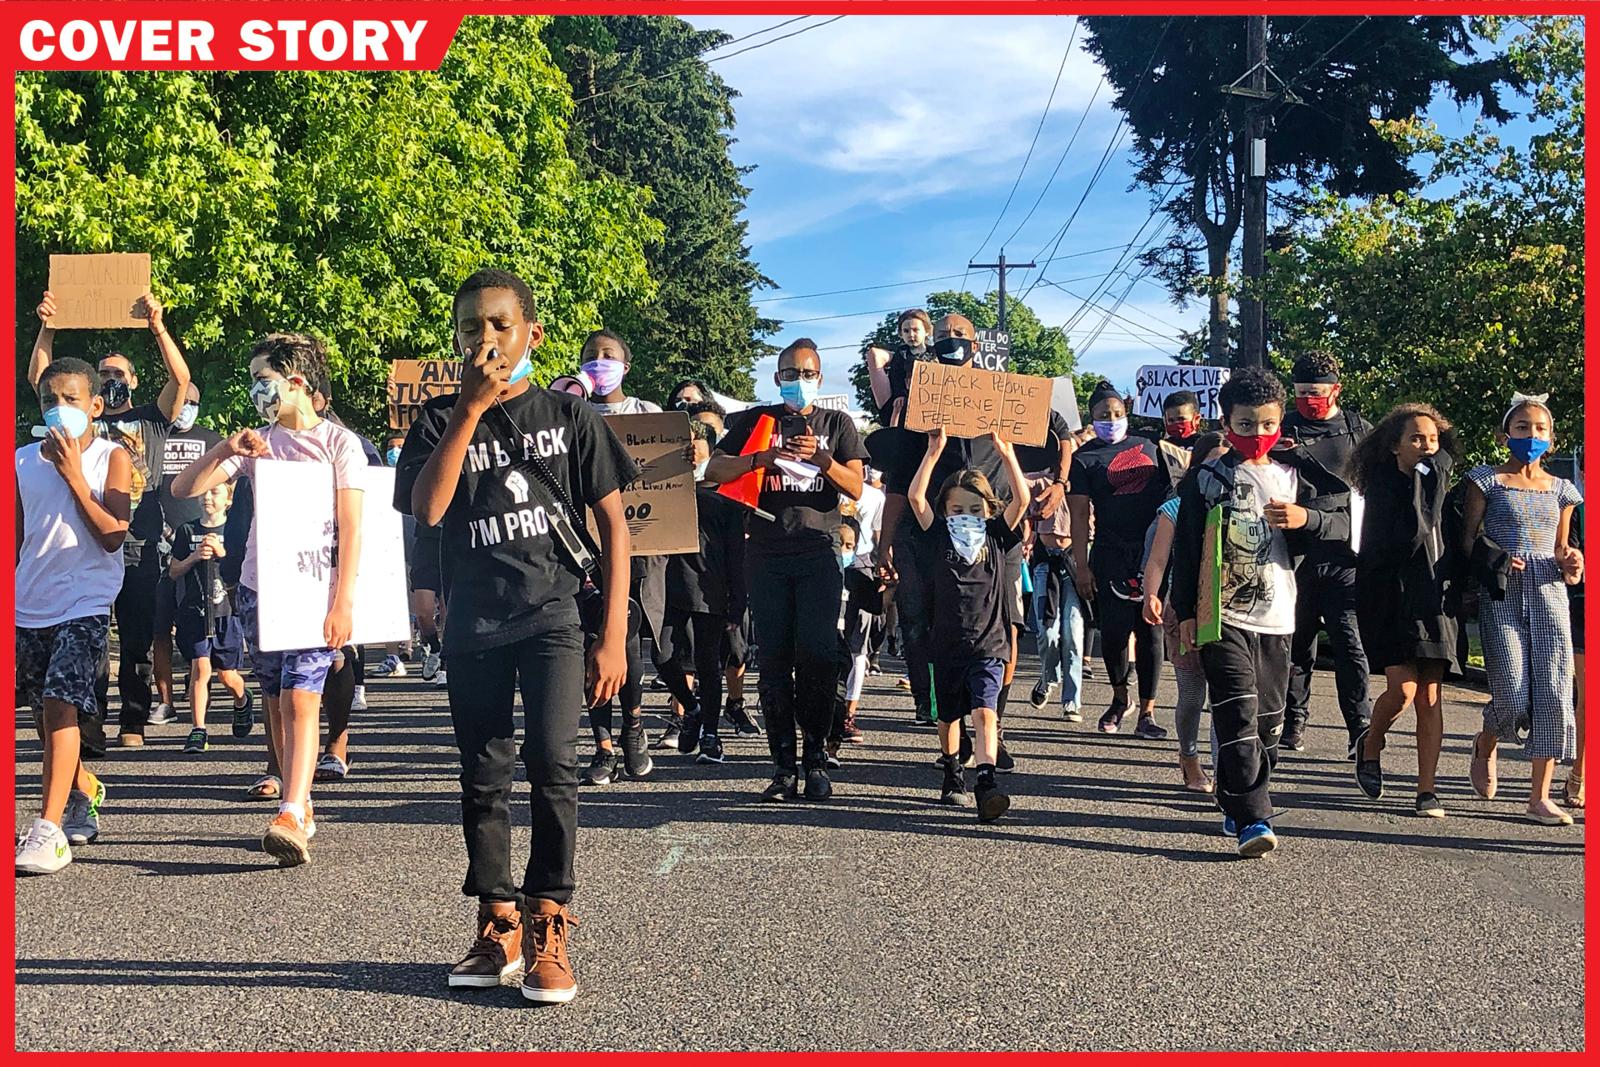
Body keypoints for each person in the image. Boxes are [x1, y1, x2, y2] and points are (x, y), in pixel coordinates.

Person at [397, 268, 635, 1003]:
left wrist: (615, 631)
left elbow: (615, 527)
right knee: (483, 773)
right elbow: (429, 509)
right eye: (471, 329)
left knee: (555, 764)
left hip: (555, 618)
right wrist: (468, 411)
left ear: (532, 333)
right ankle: (497, 918)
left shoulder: (572, 420)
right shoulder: (438, 420)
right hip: (476, 620)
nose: (486, 339)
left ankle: (549, 918)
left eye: (500, 325)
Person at [172, 332, 365, 867]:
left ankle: (291, 807)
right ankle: (297, 800)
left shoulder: (338, 444)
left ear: (296, 382)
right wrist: (227, 449)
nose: (258, 390)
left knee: (305, 696)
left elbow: (352, 525)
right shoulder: (258, 443)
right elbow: (182, 490)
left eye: (265, 379)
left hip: (316, 588)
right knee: (279, 700)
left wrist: (343, 601)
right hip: (262, 587)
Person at [1172, 368, 1351, 857]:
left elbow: (1349, 520)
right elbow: (1186, 548)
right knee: (1236, 711)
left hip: (1280, 614)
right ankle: (1255, 818)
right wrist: (1184, 610)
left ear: (1281, 424)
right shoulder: (1209, 478)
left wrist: (1305, 518)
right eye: (1245, 424)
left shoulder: (1299, 471)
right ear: (1226, 423)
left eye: (1267, 424)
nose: (1257, 435)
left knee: (1269, 722)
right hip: (1222, 615)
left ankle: (1236, 799)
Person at [30, 288, 190, 752]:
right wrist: (48, 327)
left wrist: (158, 326)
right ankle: (89, 719)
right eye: (104, 375)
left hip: (139, 543)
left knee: (137, 639)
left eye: (119, 373)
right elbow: (43, 377)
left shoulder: (151, 419)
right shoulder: (85, 423)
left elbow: (181, 380)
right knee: (90, 638)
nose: (111, 378)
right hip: (85, 544)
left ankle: (134, 719)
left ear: (135, 380)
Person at [706, 338, 867, 802]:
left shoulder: (837, 424)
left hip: (819, 550)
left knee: (817, 659)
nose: (800, 381)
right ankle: (782, 767)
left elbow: (855, 485)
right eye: (791, 374)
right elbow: (715, 469)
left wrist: (823, 460)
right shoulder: (757, 421)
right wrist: (763, 458)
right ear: (778, 379)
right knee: (773, 661)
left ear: (821, 377)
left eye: (809, 374)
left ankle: (815, 760)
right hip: (767, 551)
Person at [15, 358, 132, 873]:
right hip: (30, 599)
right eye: (49, 401)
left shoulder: (112, 457)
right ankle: (82, 788)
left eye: (71, 399)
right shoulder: (20, 461)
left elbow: (113, 534)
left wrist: (73, 475)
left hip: (86, 599)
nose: (60, 410)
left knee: (61, 701)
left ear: (95, 406)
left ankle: (48, 829)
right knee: (44, 714)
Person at [1460, 394, 1584, 826]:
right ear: (1504, 435)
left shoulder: (1564, 490)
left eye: (1539, 429)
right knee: (1512, 692)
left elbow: (1562, 547)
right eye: (1522, 428)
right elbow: (1466, 541)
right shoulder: (1485, 481)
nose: (1531, 435)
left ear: (1552, 439)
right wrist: (1494, 560)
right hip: (1503, 595)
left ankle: (1539, 796)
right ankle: (1487, 740)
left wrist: (1572, 562)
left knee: (1553, 692)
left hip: (1550, 594)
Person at [908, 428, 1030, 820]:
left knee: (985, 711)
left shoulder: (996, 537)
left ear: (989, 512)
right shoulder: (937, 537)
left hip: (990, 645)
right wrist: (932, 453)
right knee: (949, 716)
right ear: (945, 510)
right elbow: (914, 498)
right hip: (945, 643)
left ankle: (986, 780)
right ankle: (952, 769)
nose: (967, 517)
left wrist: (1008, 455)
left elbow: (1023, 499)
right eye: (958, 509)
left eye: (976, 510)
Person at [1346, 404, 1460, 818]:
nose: (1427, 446)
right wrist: (1423, 486)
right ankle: (1370, 742)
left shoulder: (1441, 483)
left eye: (1432, 439)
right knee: (1404, 690)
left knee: (1430, 694)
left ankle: (1426, 790)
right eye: (1416, 438)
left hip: (1434, 599)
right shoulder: (1382, 488)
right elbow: (1410, 537)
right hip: (1389, 598)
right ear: (1395, 447)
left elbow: (1457, 538)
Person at [574, 329, 666, 777]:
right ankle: (603, 744)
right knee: (593, 641)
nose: (599, 361)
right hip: (582, 550)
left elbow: (672, 474)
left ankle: (633, 724)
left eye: (608, 355)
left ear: (626, 366)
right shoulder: (569, 413)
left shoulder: (647, 414)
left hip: (639, 545)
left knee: (625, 636)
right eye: (591, 356)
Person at [1279, 352, 1373, 756]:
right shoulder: (1280, 426)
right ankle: (1293, 721)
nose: (1307, 400)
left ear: (1336, 389)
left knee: (1350, 643)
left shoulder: (1360, 430)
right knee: (1296, 644)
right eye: (1300, 393)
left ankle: (1360, 728)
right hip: (1293, 554)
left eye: (1315, 393)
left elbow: (1373, 488)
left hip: (1344, 553)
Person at [1067, 381, 1172, 737]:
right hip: (1110, 552)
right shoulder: (1085, 459)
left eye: (1116, 414)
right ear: (1091, 418)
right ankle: (1119, 697)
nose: (1110, 420)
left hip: (1151, 551)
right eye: (1102, 416)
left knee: (1150, 632)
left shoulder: (1151, 446)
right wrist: (1082, 565)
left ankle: (1148, 711)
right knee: (1113, 633)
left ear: (1126, 413)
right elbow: (1079, 516)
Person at [655, 420, 749, 765]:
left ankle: (711, 733)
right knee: (662, 656)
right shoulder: (663, 490)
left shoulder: (725, 498)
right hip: (666, 584)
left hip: (708, 588)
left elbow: (736, 554)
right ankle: (691, 708)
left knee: (708, 663)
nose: (690, 452)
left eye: (696, 445)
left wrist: (736, 602)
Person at [1142, 432, 1229, 794]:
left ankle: (1227, 771)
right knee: (1193, 696)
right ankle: (1189, 757)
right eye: (1213, 461)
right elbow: (1159, 559)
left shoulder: (1243, 503)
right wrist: (1151, 594)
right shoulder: (1176, 508)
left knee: (1227, 696)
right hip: (1186, 609)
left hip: (1233, 610)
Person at [151, 381, 224, 724]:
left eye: (192, 401)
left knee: (202, 623)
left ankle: (209, 686)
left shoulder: (211, 441)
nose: (185, 407)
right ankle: (165, 700)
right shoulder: (153, 434)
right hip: (158, 538)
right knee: (160, 625)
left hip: (201, 536)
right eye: (181, 401)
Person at [168, 480, 252, 753]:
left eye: (215, 492)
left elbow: (245, 568)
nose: (208, 497)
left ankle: (242, 699)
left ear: (228, 499)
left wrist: (222, 553)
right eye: (205, 492)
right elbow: (173, 569)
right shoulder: (187, 530)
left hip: (227, 612)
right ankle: (198, 729)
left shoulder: (237, 530)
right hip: (195, 611)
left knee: (227, 675)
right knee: (200, 668)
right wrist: (194, 556)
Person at [1026, 462, 1084, 722]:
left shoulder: (1082, 485)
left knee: (1073, 632)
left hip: (1073, 562)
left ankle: (1072, 700)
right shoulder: (1039, 481)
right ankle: (1048, 678)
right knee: (1047, 630)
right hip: (1045, 563)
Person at [831, 516, 884, 757]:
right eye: (838, 544)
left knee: (853, 665)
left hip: (848, 641)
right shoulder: (817, 574)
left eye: (849, 546)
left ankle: (843, 723)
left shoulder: (857, 576)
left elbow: (877, 604)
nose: (844, 551)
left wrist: (887, 586)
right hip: (821, 641)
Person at [865, 308, 933, 425]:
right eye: (906, 331)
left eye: (916, 330)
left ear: (926, 331)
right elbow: (896, 376)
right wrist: (900, 394)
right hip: (907, 398)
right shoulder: (902, 354)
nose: (911, 335)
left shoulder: (934, 353)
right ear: (901, 334)